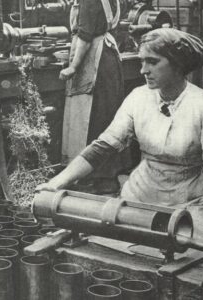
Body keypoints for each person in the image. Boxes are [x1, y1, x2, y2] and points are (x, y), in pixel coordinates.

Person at [38, 28, 203, 252]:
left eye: (153, 62)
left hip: (189, 204)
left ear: (178, 64)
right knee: (114, 255)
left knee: (198, 257)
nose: (143, 70)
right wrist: (55, 183)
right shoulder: (138, 97)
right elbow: (102, 148)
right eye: (142, 61)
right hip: (139, 200)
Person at [60, 0, 131, 194]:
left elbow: (85, 35)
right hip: (108, 54)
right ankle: (107, 175)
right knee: (107, 114)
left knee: (93, 117)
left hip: (94, 59)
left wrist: (73, 67)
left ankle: (96, 177)